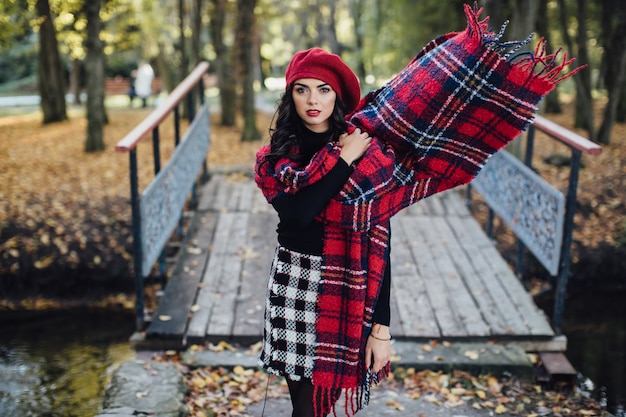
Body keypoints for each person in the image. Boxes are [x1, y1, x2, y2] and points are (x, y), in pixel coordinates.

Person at [254, 48, 392, 417]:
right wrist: (343, 160)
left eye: (323, 89)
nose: (313, 100)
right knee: (307, 409)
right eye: (302, 90)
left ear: (339, 97)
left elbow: (381, 241)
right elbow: (300, 214)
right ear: (290, 96)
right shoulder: (275, 158)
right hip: (292, 284)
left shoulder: (368, 151)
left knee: (314, 409)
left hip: (348, 285)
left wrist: (382, 328)